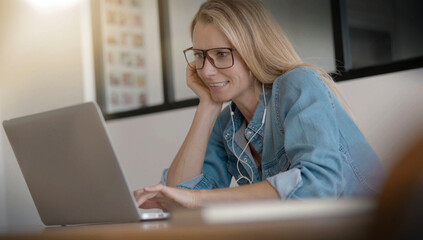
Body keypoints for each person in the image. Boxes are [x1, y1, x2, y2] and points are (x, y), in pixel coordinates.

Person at [133, 0, 384, 210]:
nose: (207, 71)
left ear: (254, 51)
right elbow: (178, 199)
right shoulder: (228, 125)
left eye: (221, 54)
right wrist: (207, 105)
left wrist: (197, 199)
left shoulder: (298, 85)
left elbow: (317, 185)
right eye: (200, 56)